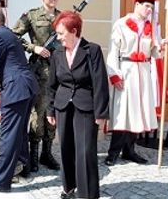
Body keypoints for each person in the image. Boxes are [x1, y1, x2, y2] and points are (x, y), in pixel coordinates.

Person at [46, 11, 109, 199]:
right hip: (63, 106)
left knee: (85, 150)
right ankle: (69, 188)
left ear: (74, 31)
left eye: (61, 33)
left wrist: (101, 113)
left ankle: (87, 193)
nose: (58, 38)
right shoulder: (57, 53)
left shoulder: (92, 50)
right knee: (65, 148)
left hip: (86, 106)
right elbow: (51, 85)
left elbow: (100, 83)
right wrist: (50, 109)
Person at [104, 0, 168, 166]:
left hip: (143, 72)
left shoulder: (151, 27)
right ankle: (113, 153)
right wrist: (114, 74)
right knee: (122, 113)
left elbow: (155, 53)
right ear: (137, 4)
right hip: (126, 70)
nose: (149, 10)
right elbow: (113, 51)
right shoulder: (121, 24)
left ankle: (129, 150)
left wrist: (163, 44)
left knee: (137, 113)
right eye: (147, 6)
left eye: (151, 7)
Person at [0, 7, 39, 192]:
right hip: (26, 88)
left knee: (8, 136)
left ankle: (1, 182)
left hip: (16, 89)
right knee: (19, 133)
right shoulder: (9, 34)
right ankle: (22, 167)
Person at [11, 0, 61, 172]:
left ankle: (47, 154)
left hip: (58, 71)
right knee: (38, 113)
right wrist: (34, 48)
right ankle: (33, 154)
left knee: (53, 112)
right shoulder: (31, 15)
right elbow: (14, 35)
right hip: (39, 72)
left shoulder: (63, 16)